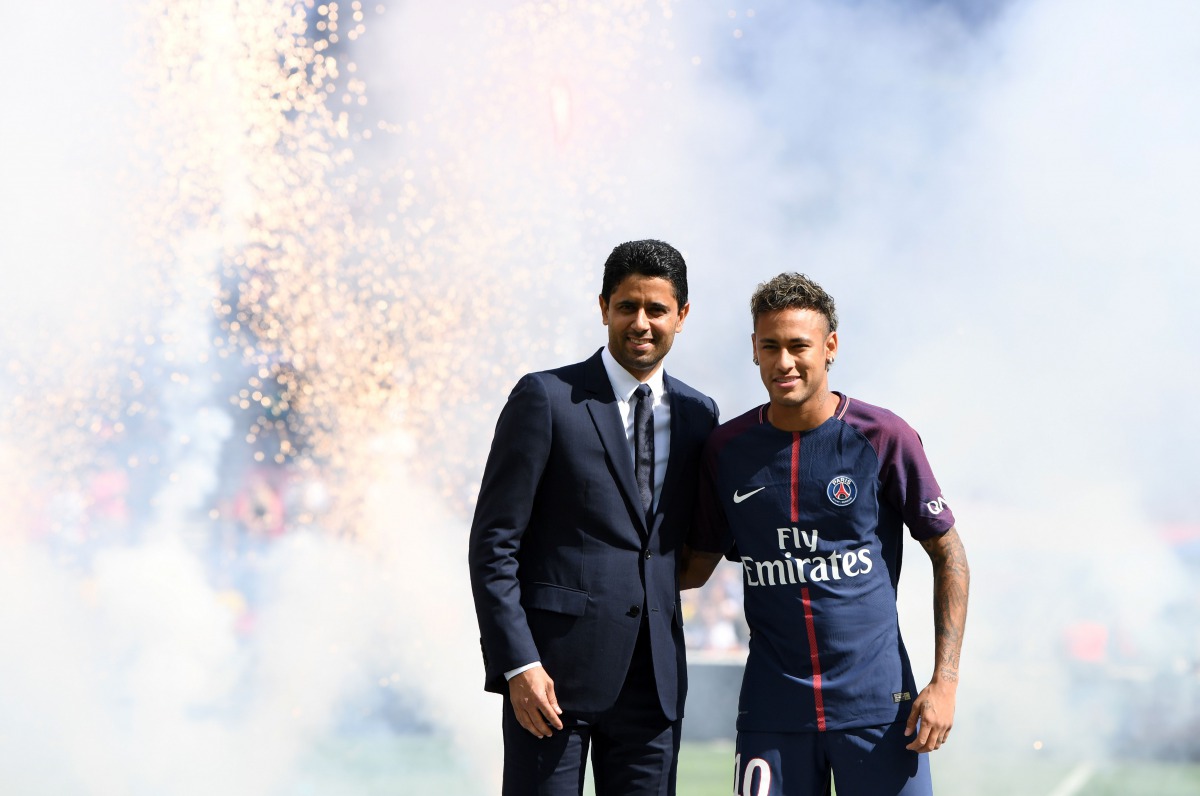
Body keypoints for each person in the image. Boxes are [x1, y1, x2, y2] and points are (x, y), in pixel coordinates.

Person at [680, 272, 969, 796]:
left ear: (830, 346)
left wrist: (944, 682)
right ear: (754, 350)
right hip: (773, 710)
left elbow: (949, 554)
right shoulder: (727, 450)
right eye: (770, 346)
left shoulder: (883, 437)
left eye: (799, 346)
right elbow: (693, 567)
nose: (784, 362)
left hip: (879, 711)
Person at [468, 239, 719, 796]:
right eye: (627, 306)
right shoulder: (546, 398)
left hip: (654, 688)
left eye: (656, 309)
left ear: (681, 315)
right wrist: (518, 665)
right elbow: (493, 544)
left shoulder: (702, 416)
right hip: (549, 683)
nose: (641, 323)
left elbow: (680, 544)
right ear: (603, 307)